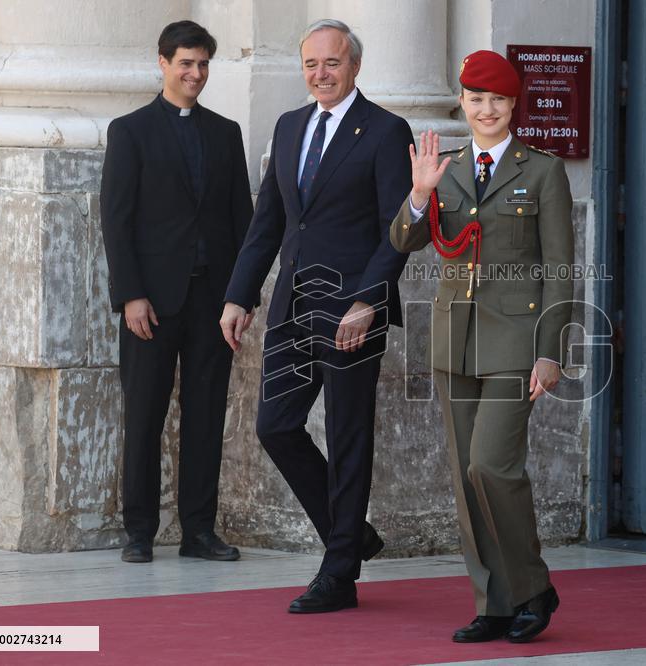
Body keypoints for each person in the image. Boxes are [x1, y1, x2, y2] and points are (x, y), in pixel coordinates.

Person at [219, 19, 413, 613]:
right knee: (275, 426)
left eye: (331, 63)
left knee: (349, 436)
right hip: (294, 305)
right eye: (310, 64)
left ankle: (338, 575)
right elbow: (269, 221)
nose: (320, 74)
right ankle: (351, 534)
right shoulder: (290, 125)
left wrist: (368, 300)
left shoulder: (384, 131)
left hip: (353, 307)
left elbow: (397, 230)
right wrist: (239, 294)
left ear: (354, 66)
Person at [390, 50, 574, 643]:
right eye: (475, 98)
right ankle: (493, 603)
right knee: (465, 481)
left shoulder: (542, 171)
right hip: (455, 343)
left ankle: (533, 586)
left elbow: (560, 269)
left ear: (513, 104)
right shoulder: (448, 167)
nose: (486, 108)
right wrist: (419, 196)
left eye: (497, 99)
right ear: (461, 104)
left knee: (491, 466)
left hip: (516, 343)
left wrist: (550, 352)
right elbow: (405, 239)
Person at [100, 21, 253, 563]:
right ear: (162, 63)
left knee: (206, 414)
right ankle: (138, 530)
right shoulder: (130, 131)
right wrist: (130, 295)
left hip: (212, 303)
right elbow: (116, 222)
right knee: (143, 414)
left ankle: (198, 531)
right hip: (151, 305)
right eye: (186, 63)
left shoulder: (225, 132)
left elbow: (243, 222)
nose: (195, 73)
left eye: (203, 64)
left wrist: (242, 297)